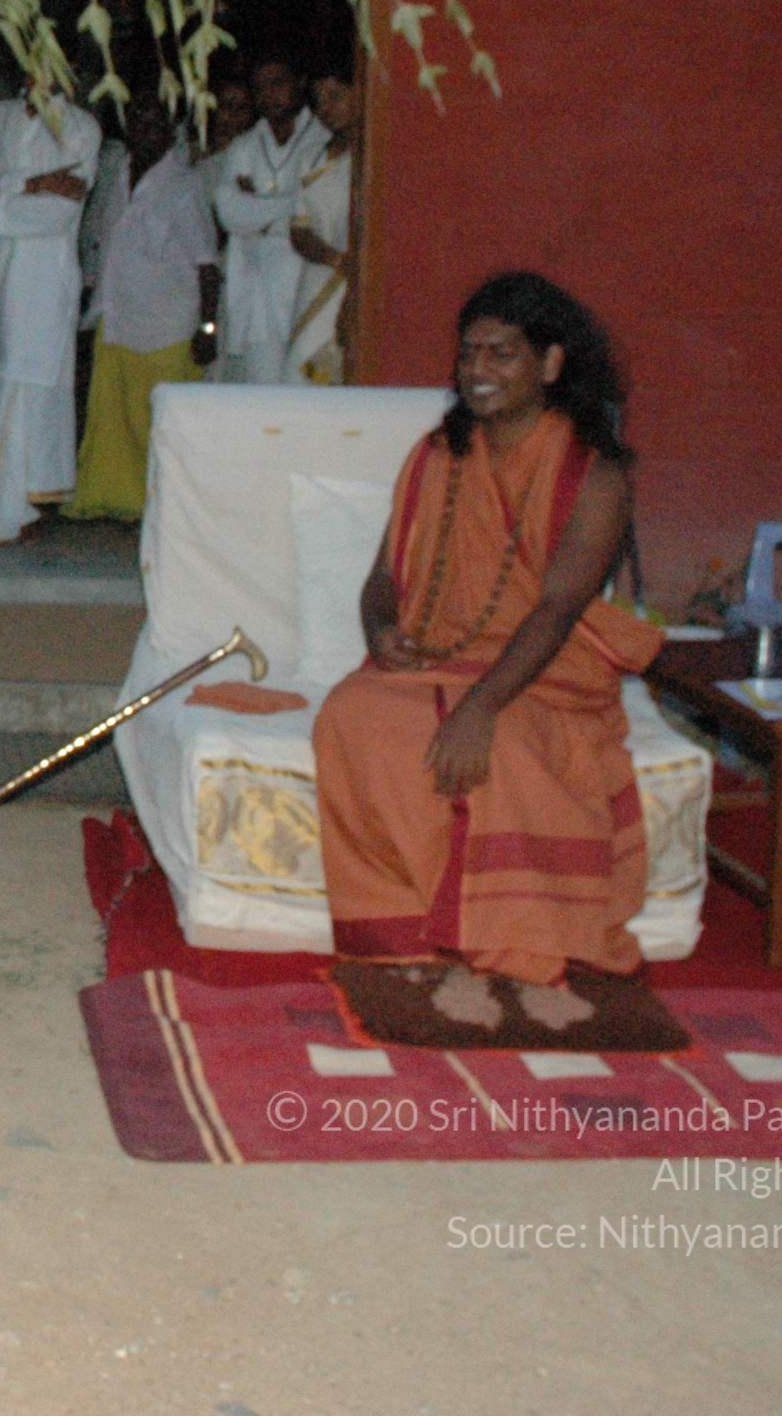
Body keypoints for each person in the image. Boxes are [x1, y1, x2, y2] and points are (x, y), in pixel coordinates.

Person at [312, 274, 664, 1028]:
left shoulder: (592, 474)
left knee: (501, 750)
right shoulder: (439, 454)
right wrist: (382, 634)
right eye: (469, 353)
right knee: (351, 715)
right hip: (437, 659)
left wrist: (479, 707)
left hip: (540, 672)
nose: (479, 370)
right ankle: (410, 943)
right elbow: (381, 580)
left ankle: (522, 948)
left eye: (502, 354)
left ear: (551, 365)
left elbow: (559, 608)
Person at [0, 65, 100, 543]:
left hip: (43, 277)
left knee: (28, 387)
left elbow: (59, 213)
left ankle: (14, 513)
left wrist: (5, 195)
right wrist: (34, 183)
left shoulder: (80, 128)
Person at [68, 88, 220, 522]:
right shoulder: (114, 172)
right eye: (137, 120)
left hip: (169, 326)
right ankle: (116, 503)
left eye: (155, 123)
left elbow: (207, 264)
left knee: (161, 425)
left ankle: (169, 509)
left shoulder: (184, 184)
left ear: (171, 130)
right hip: (115, 317)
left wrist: (208, 329)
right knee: (112, 421)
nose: (145, 131)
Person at [209, 59, 329, 384]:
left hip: (305, 295)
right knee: (257, 406)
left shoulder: (321, 141)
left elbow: (317, 211)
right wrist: (288, 208)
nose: (268, 95)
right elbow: (228, 212)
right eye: (260, 87)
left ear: (299, 83)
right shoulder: (244, 145)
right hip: (256, 302)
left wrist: (256, 210)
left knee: (301, 403)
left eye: (277, 83)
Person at [286, 71, 360, 385]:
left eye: (335, 96)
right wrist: (336, 260)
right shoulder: (310, 158)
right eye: (318, 102)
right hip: (319, 280)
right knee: (297, 372)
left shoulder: (375, 158)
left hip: (358, 287)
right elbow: (298, 232)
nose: (325, 109)